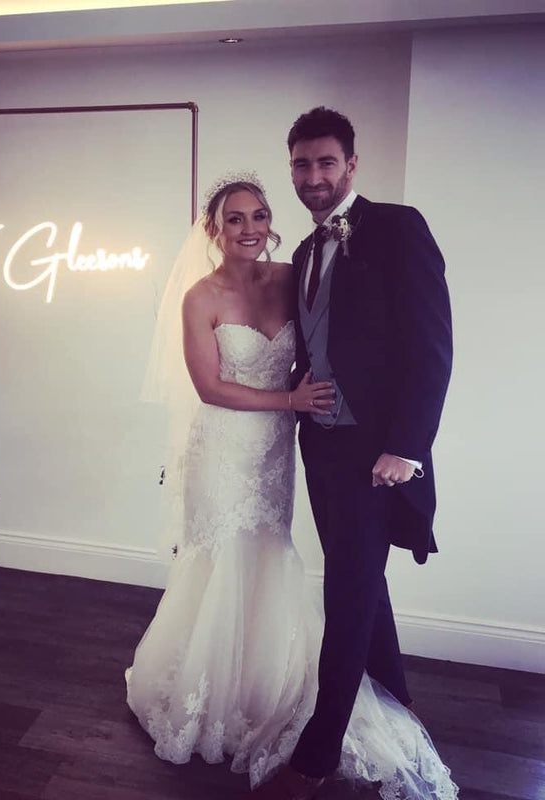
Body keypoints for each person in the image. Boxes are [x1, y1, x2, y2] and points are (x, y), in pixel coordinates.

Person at [126, 174, 457, 799]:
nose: (249, 228)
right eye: (234, 218)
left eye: (258, 215)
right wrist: (291, 400)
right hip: (224, 448)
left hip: (283, 451)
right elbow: (209, 387)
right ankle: (214, 691)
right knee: (225, 560)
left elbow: (357, 338)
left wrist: (395, 434)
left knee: (281, 559)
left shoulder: (295, 271)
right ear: (213, 228)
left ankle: (288, 688)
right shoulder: (200, 296)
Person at [260, 107, 454, 800]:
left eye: (325, 162)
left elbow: (431, 345)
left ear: (351, 164)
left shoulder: (398, 228)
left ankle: (315, 758)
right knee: (362, 579)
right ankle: (398, 695)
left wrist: (406, 446)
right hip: (323, 446)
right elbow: (317, 342)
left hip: (377, 454)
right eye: (301, 164)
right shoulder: (304, 251)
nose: (312, 176)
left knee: (345, 592)